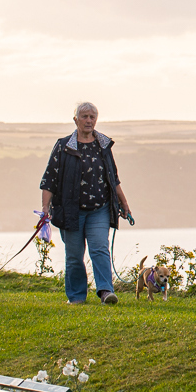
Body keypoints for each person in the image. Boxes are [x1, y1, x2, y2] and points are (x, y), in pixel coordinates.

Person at [39, 102, 135, 304]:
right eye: (84, 116)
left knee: (99, 248)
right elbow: (49, 179)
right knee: (74, 255)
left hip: (99, 209)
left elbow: (113, 178)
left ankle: (105, 292)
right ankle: (76, 297)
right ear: (76, 120)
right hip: (70, 211)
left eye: (92, 116)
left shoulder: (103, 145)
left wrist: (123, 203)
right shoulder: (63, 146)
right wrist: (45, 209)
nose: (89, 120)